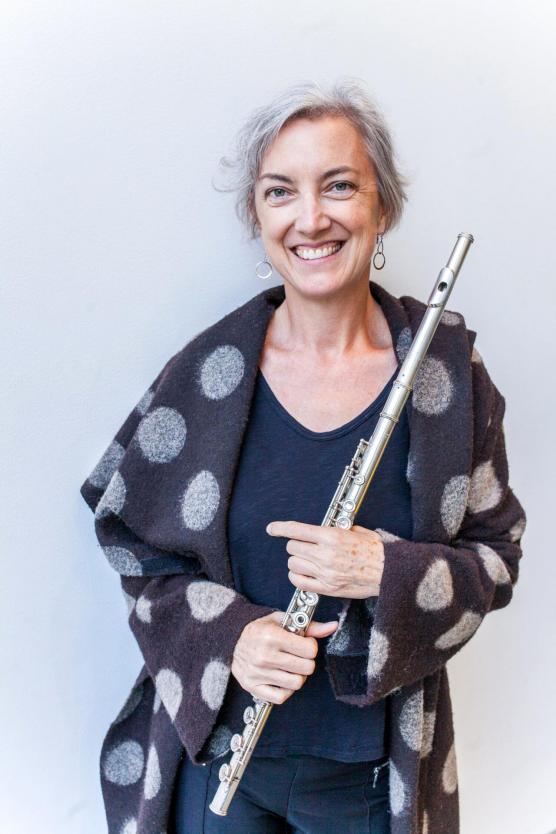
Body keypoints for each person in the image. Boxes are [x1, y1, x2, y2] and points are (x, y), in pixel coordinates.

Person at [79, 79, 526, 834]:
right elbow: (132, 545)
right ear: (257, 216)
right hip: (215, 765)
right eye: (280, 192)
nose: (310, 218)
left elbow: (497, 560)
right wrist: (230, 638)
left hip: (368, 781)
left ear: (381, 205)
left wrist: (386, 571)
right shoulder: (205, 374)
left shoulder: (446, 373)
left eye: (339, 186)